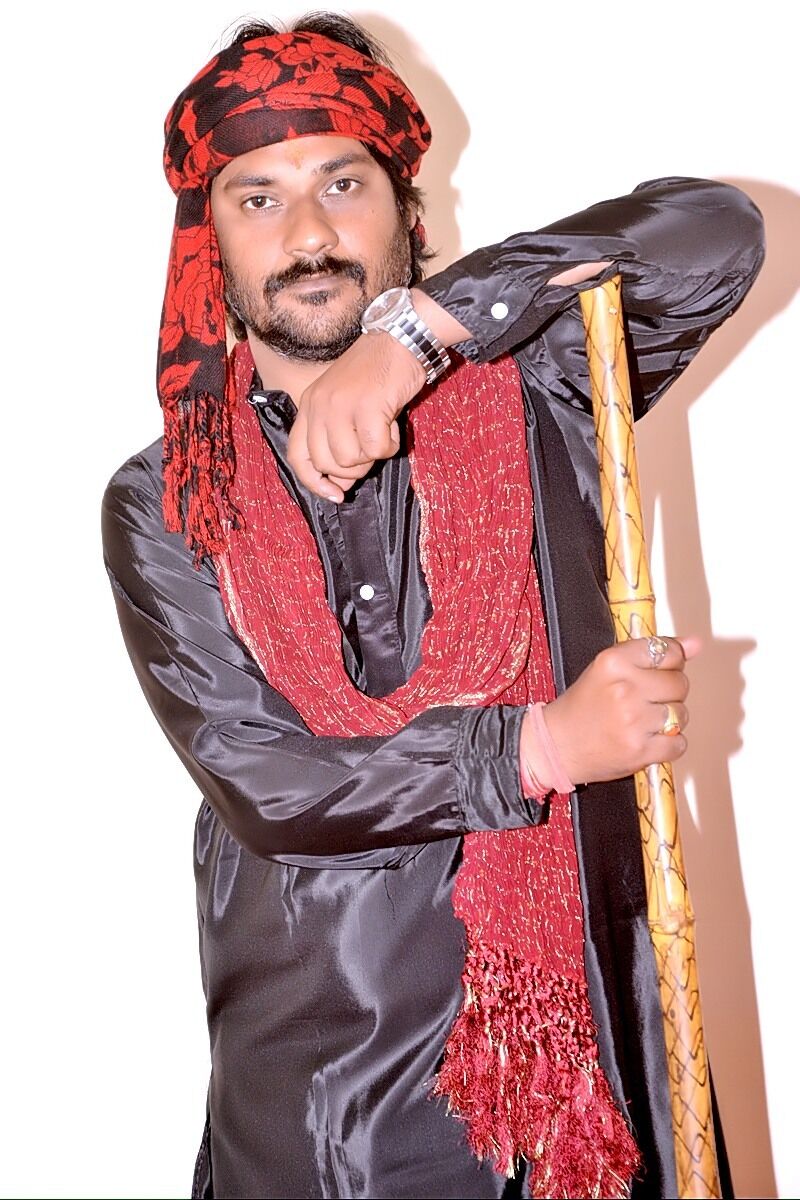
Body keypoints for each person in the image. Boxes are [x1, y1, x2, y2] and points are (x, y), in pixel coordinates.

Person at [102, 13, 764, 1199]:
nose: (308, 235)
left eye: (340, 183)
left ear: (405, 208)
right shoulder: (169, 498)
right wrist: (539, 746)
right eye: (257, 199)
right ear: (209, 248)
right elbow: (268, 785)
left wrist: (420, 330)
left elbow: (716, 231)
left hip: (590, 1055)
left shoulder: (544, 382)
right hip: (328, 1103)